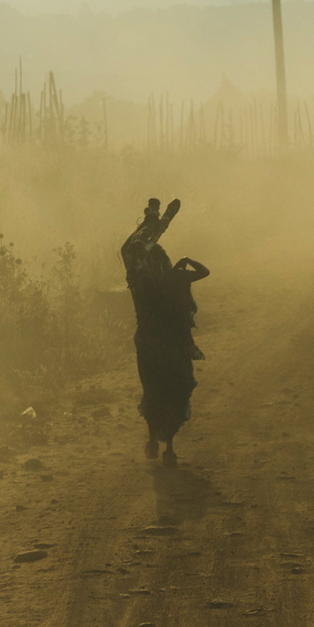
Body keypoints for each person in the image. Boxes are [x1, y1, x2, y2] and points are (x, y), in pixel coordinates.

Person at [120, 198, 209, 466]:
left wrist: (153, 218)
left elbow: (131, 248)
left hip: (148, 340)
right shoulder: (172, 279)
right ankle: (169, 446)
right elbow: (201, 273)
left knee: (152, 388)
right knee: (175, 388)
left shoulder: (138, 280)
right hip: (172, 341)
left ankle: (152, 440)